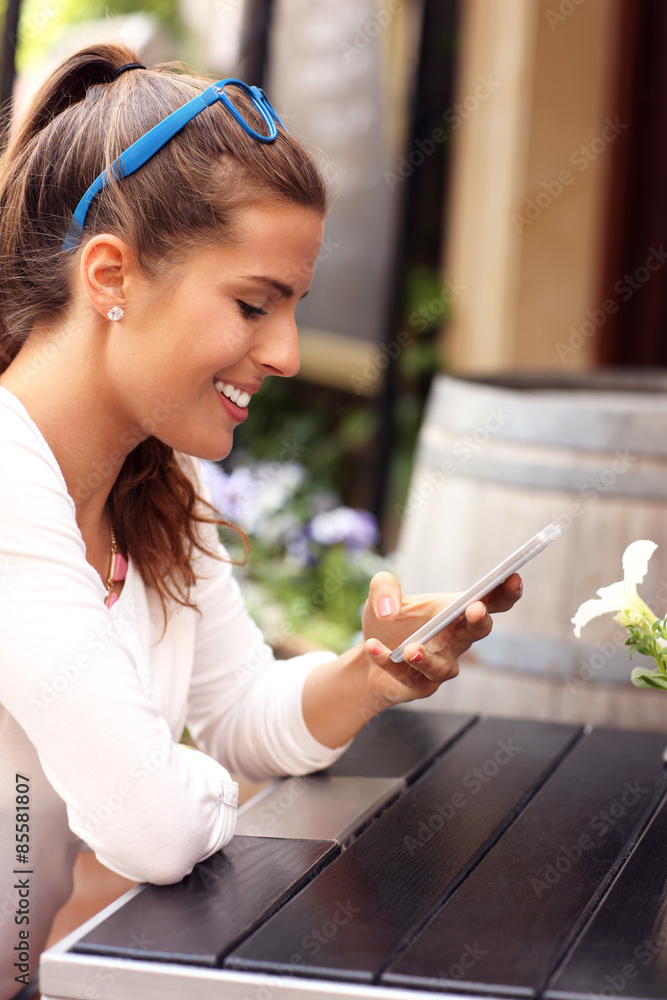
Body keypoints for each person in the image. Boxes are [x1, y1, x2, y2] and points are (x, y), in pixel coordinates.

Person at [0, 42, 521, 997]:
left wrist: (371, 672)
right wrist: (200, 791)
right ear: (110, 277)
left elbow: (239, 715)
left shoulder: (158, 483)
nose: (283, 352)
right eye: (253, 303)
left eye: (292, 307)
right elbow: (148, 825)